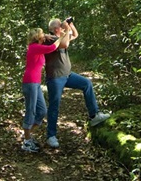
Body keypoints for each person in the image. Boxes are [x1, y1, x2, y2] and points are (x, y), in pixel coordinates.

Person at [44, 18, 110, 148]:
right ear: (55, 28)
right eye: (60, 25)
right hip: (55, 78)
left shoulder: (62, 36)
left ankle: (94, 114)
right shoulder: (50, 39)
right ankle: (51, 135)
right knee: (54, 106)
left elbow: (75, 35)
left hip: (68, 75)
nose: (62, 26)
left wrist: (71, 25)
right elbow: (65, 45)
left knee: (87, 84)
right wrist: (66, 29)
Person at [21, 27, 67, 152]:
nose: (44, 36)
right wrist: (62, 37)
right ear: (38, 37)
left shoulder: (37, 46)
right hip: (30, 82)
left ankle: (27, 134)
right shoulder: (34, 47)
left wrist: (47, 36)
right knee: (31, 111)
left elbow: (49, 41)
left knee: (41, 111)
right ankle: (26, 141)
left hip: (36, 83)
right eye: (42, 35)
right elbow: (52, 47)